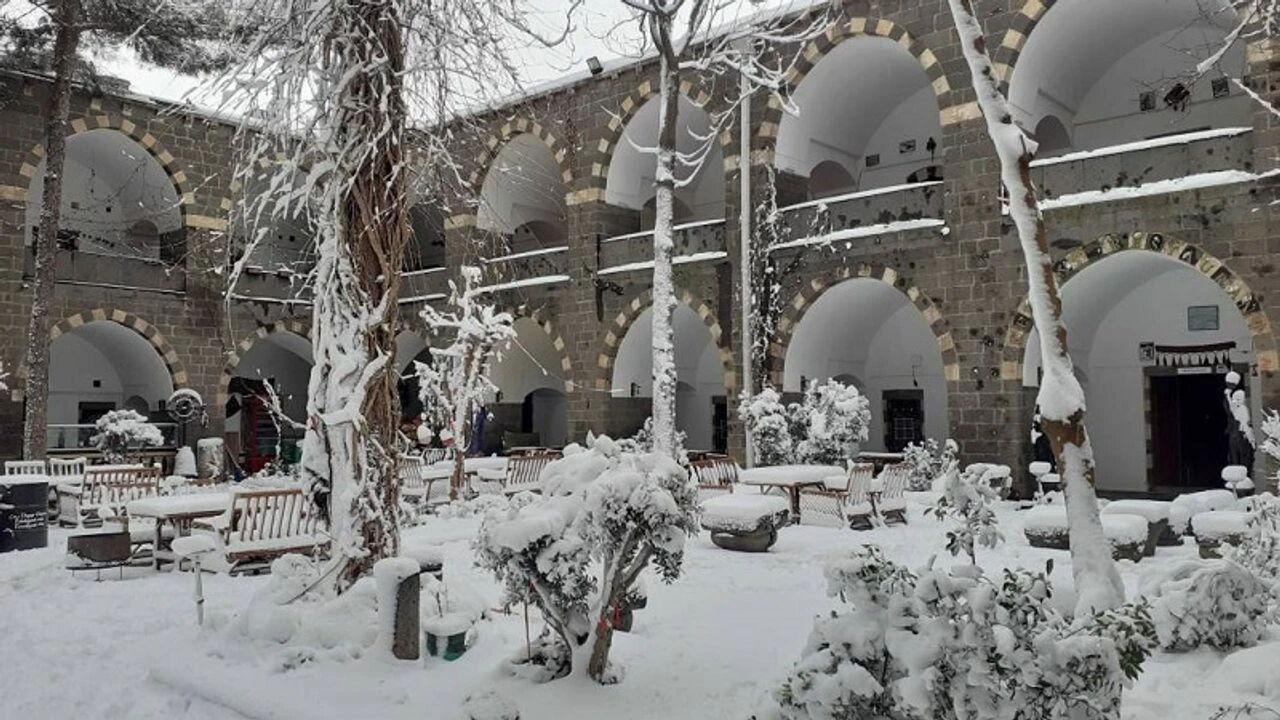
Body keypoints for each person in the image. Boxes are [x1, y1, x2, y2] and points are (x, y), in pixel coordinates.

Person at [1223, 371, 1255, 468]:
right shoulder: (1235, 407)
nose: (1235, 401)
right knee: (1234, 455)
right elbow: (1230, 407)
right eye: (1234, 399)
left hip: (1242, 434)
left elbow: (1245, 423)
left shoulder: (1243, 409)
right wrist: (1227, 396)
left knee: (1243, 455)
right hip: (1236, 433)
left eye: (1238, 399)